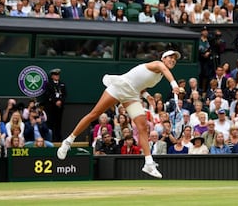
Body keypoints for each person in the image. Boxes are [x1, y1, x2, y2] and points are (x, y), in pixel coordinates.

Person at [57, 50, 182, 179]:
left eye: (175, 59)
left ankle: (148, 163)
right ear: (163, 59)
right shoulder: (157, 64)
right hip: (120, 87)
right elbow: (165, 71)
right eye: (170, 58)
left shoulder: (159, 75)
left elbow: (140, 85)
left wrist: (147, 96)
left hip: (132, 95)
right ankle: (68, 141)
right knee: (93, 115)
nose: (173, 60)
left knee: (143, 127)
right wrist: (174, 84)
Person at [43, 68, 66, 142]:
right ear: (52, 76)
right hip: (51, 107)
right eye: (55, 75)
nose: (57, 76)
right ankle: (52, 138)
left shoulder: (62, 84)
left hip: (59, 107)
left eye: (58, 75)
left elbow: (65, 94)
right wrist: (55, 101)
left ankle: (58, 138)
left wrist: (60, 101)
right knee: (51, 123)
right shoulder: (49, 84)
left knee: (58, 123)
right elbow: (48, 95)